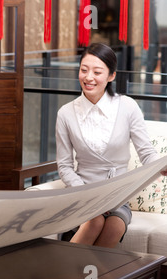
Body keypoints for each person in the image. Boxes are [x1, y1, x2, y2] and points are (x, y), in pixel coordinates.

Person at [56, 43, 167, 248]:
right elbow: (64, 166)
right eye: (83, 70)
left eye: (97, 72)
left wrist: (161, 166)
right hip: (83, 195)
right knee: (94, 221)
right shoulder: (65, 113)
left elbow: (146, 153)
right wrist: (88, 196)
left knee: (115, 226)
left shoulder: (127, 106)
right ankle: (65, 277)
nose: (88, 77)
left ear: (111, 76)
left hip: (117, 198)